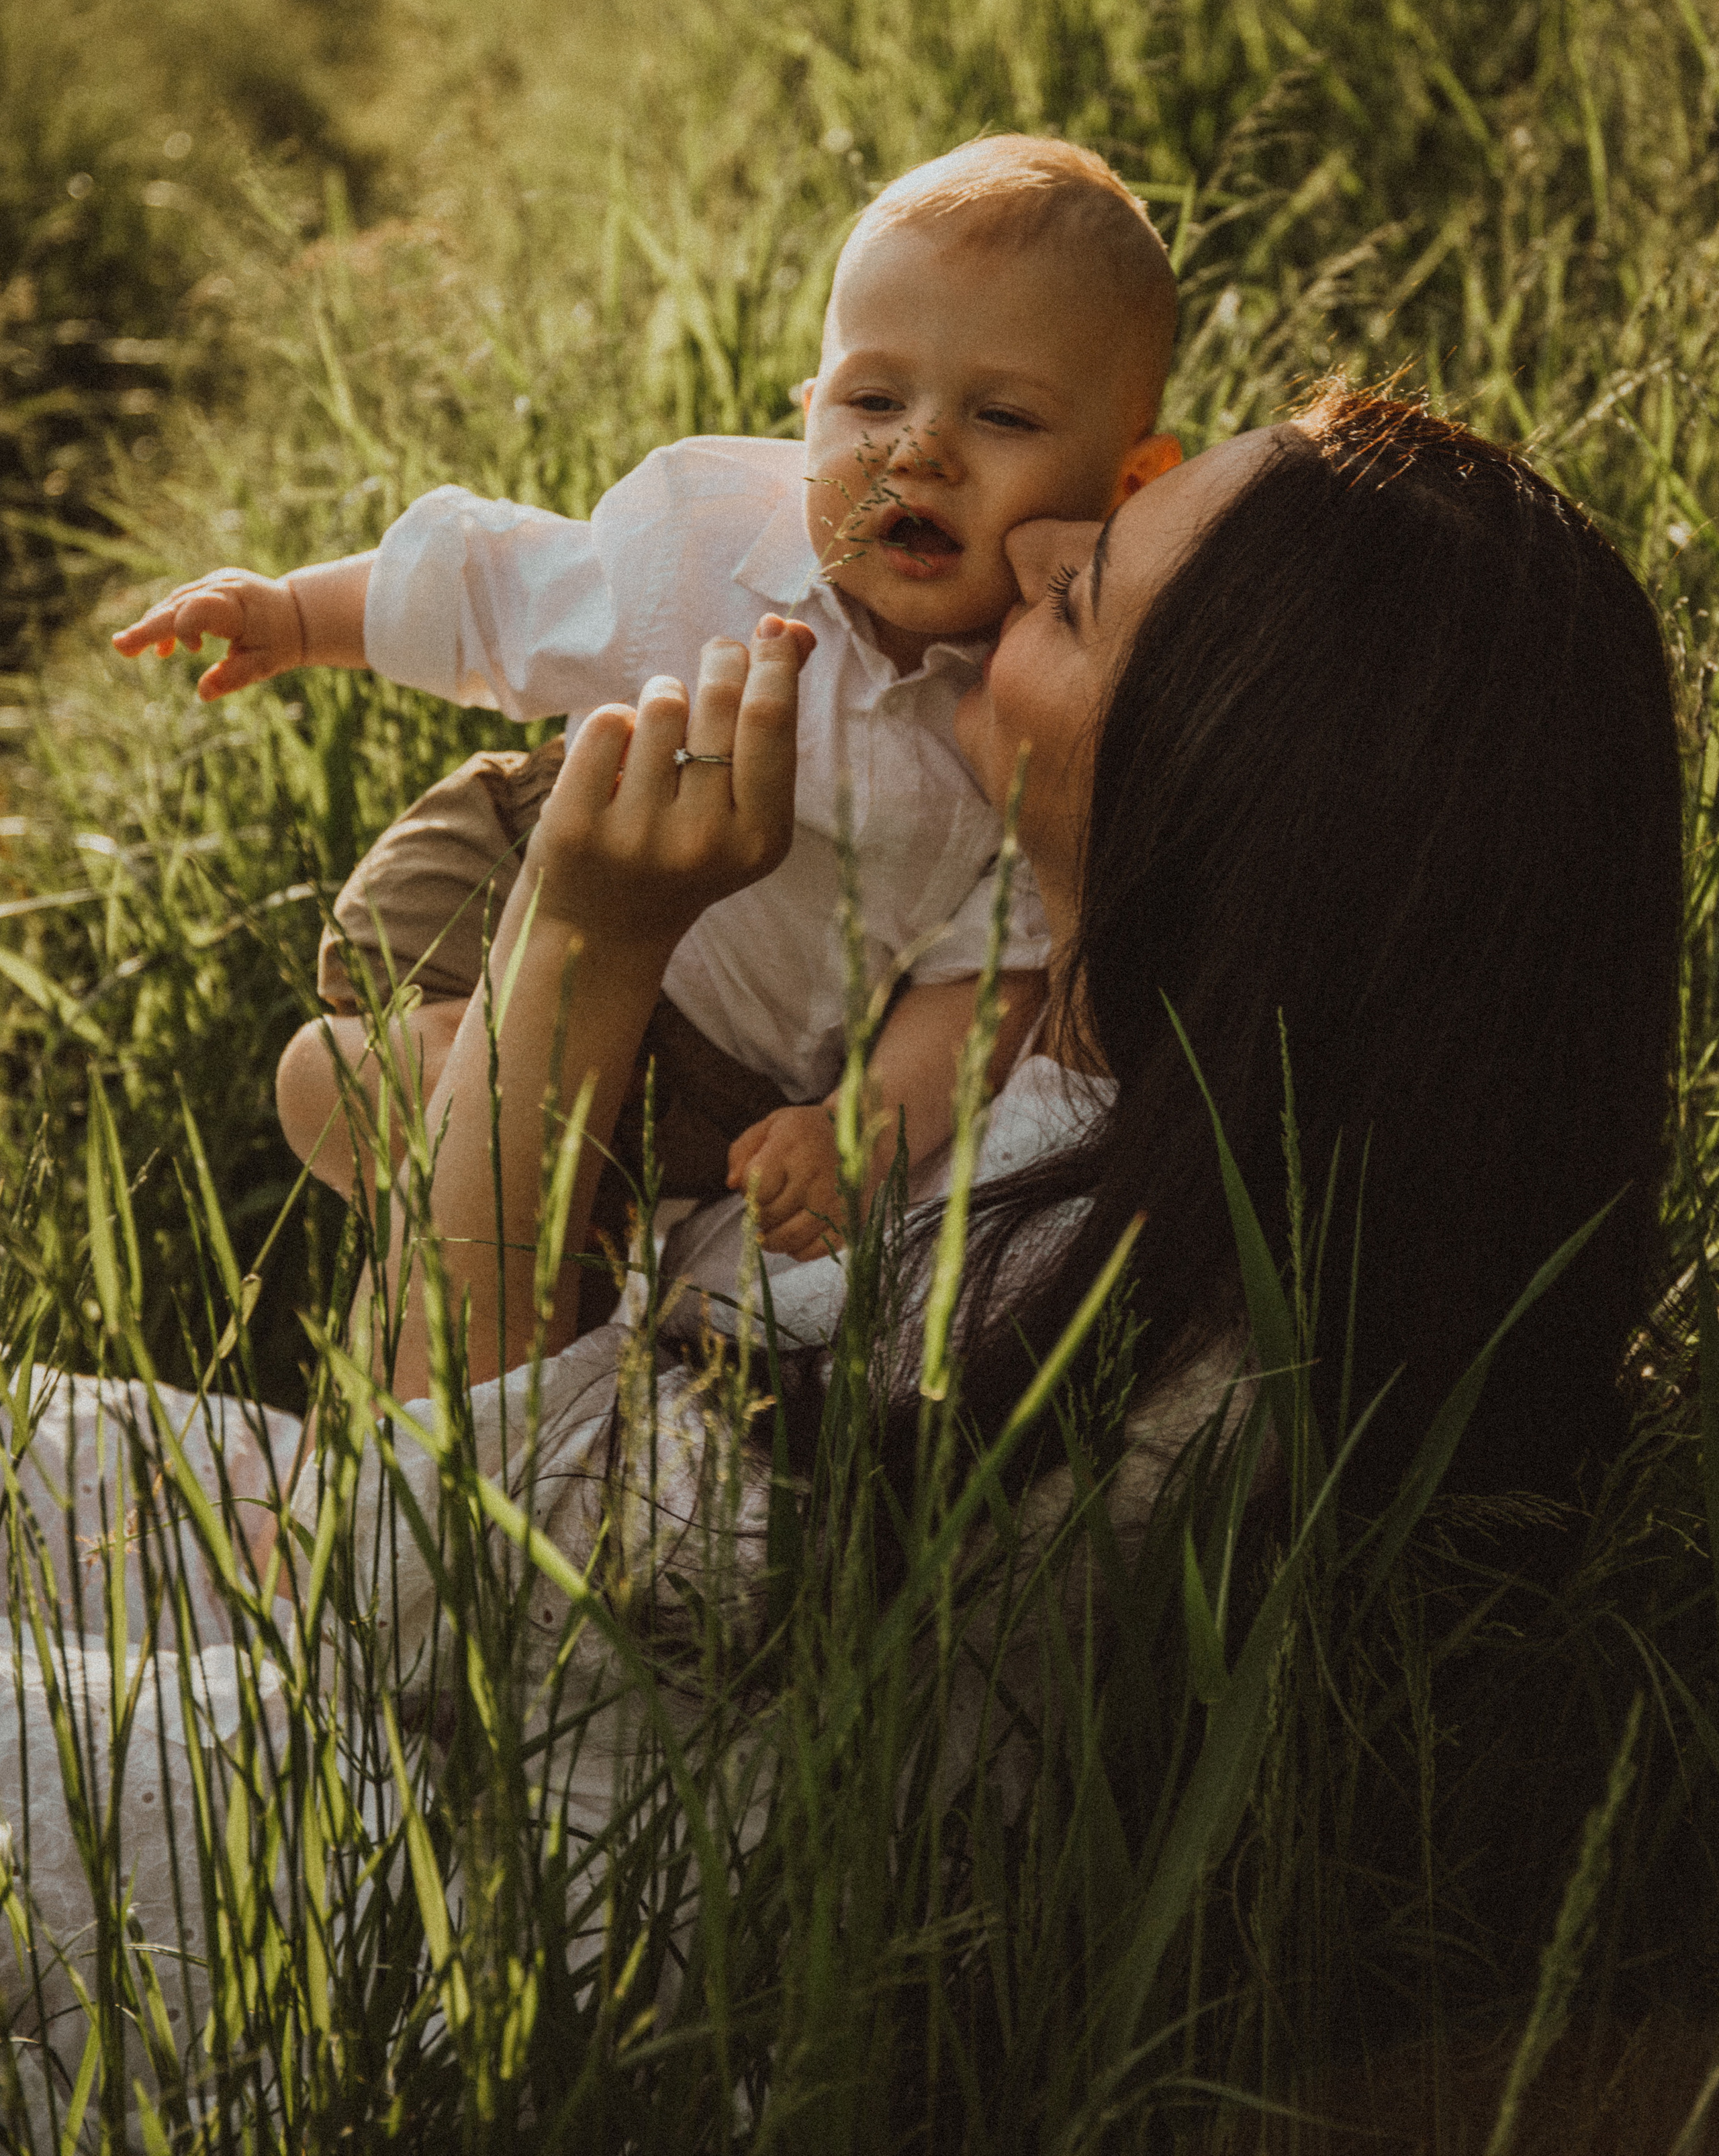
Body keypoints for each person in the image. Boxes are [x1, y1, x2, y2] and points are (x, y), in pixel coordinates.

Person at [8, 391, 1683, 2139]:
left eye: (1084, 591)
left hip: (480, 1892)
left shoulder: (1063, 1315)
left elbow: (421, 1591)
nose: (1034, 544)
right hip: (510, 1657)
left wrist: (578, 944)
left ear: (1208, 794)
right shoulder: (1113, 1098)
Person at [111, 136, 1184, 1290]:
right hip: (522, 864)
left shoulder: (1045, 717)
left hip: (714, 1063)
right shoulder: (713, 545)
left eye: (1005, 419)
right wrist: (297, 616)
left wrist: (862, 1124)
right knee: (335, 1077)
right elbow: (495, 586)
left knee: (426, 1130)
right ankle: (480, 1157)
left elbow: (991, 977)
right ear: (808, 411)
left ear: (1131, 486)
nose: (919, 450)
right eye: (874, 399)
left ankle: (530, 1236)